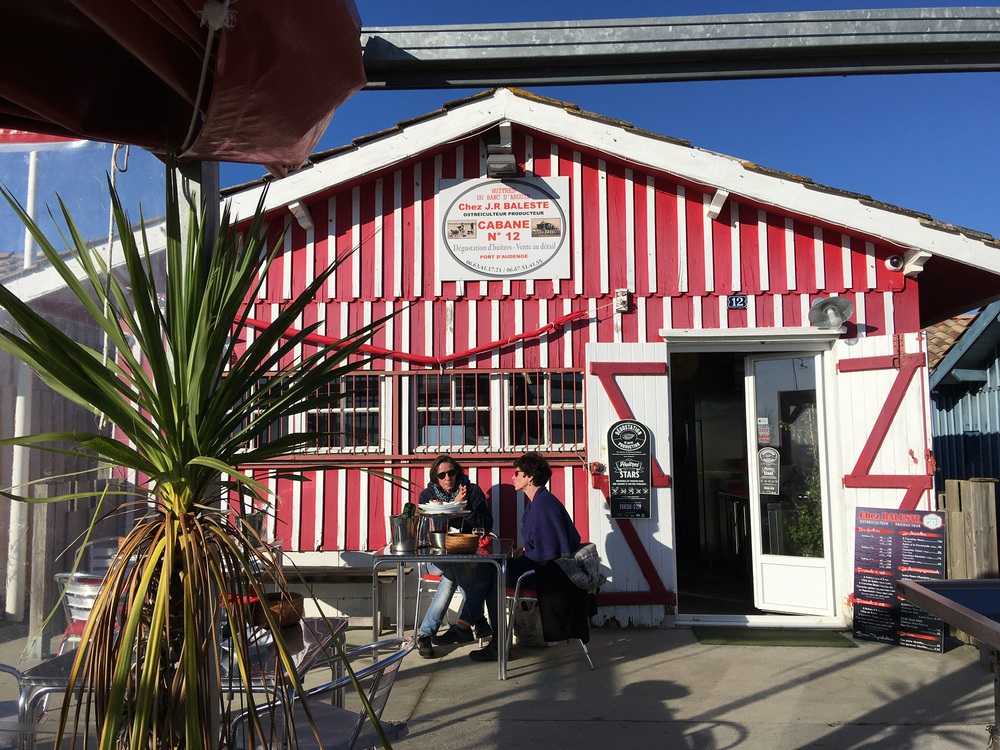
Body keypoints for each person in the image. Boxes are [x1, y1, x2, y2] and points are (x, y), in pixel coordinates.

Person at [467, 451, 582, 662]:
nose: (513, 477)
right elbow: (545, 545)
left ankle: (483, 635)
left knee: (492, 576)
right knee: (490, 570)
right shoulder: (539, 501)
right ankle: (476, 630)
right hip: (545, 569)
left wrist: (520, 557)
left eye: (517, 473)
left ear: (530, 477)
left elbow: (548, 553)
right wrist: (522, 552)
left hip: (549, 577)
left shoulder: (542, 506)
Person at [414, 455, 493, 659]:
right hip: (436, 558)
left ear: (458, 473)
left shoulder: (472, 491)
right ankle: (477, 619)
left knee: (451, 576)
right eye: (442, 475)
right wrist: (445, 509)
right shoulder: (427, 495)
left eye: (451, 472)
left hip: (467, 555)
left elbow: (487, 525)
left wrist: (464, 508)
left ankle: (425, 634)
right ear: (436, 477)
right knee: (454, 565)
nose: (447, 477)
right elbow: (427, 529)